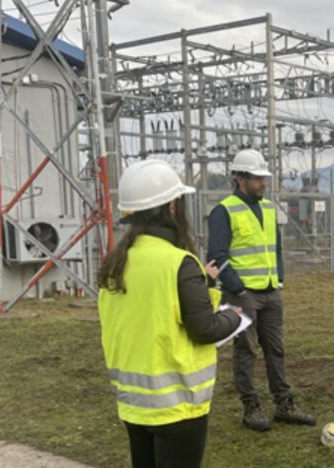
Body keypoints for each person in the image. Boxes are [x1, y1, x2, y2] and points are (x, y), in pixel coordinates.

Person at [98, 160, 244, 468]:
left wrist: (200, 282)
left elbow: (149, 314)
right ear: (173, 207)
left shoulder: (117, 262)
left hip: (134, 405)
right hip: (176, 406)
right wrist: (234, 317)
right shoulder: (178, 263)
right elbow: (205, 329)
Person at [207, 149, 315, 431]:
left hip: (269, 291)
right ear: (240, 178)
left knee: (275, 349)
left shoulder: (268, 208)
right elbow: (216, 255)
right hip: (242, 294)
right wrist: (237, 288)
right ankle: (251, 407)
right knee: (245, 351)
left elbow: (275, 247)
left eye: (263, 178)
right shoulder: (224, 211)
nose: (262, 183)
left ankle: (284, 403)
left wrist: (278, 277)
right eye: (256, 178)